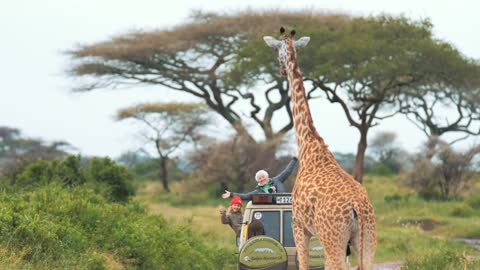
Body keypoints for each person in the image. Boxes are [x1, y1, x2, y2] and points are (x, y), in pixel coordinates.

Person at [222, 151, 298, 200]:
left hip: (283, 207)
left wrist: (294, 159)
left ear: (267, 176)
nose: (262, 179)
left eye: (263, 177)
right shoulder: (258, 191)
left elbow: (287, 171)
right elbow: (245, 196)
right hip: (267, 211)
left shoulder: (277, 180)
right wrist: (231, 194)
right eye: (259, 178)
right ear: (258, 181)